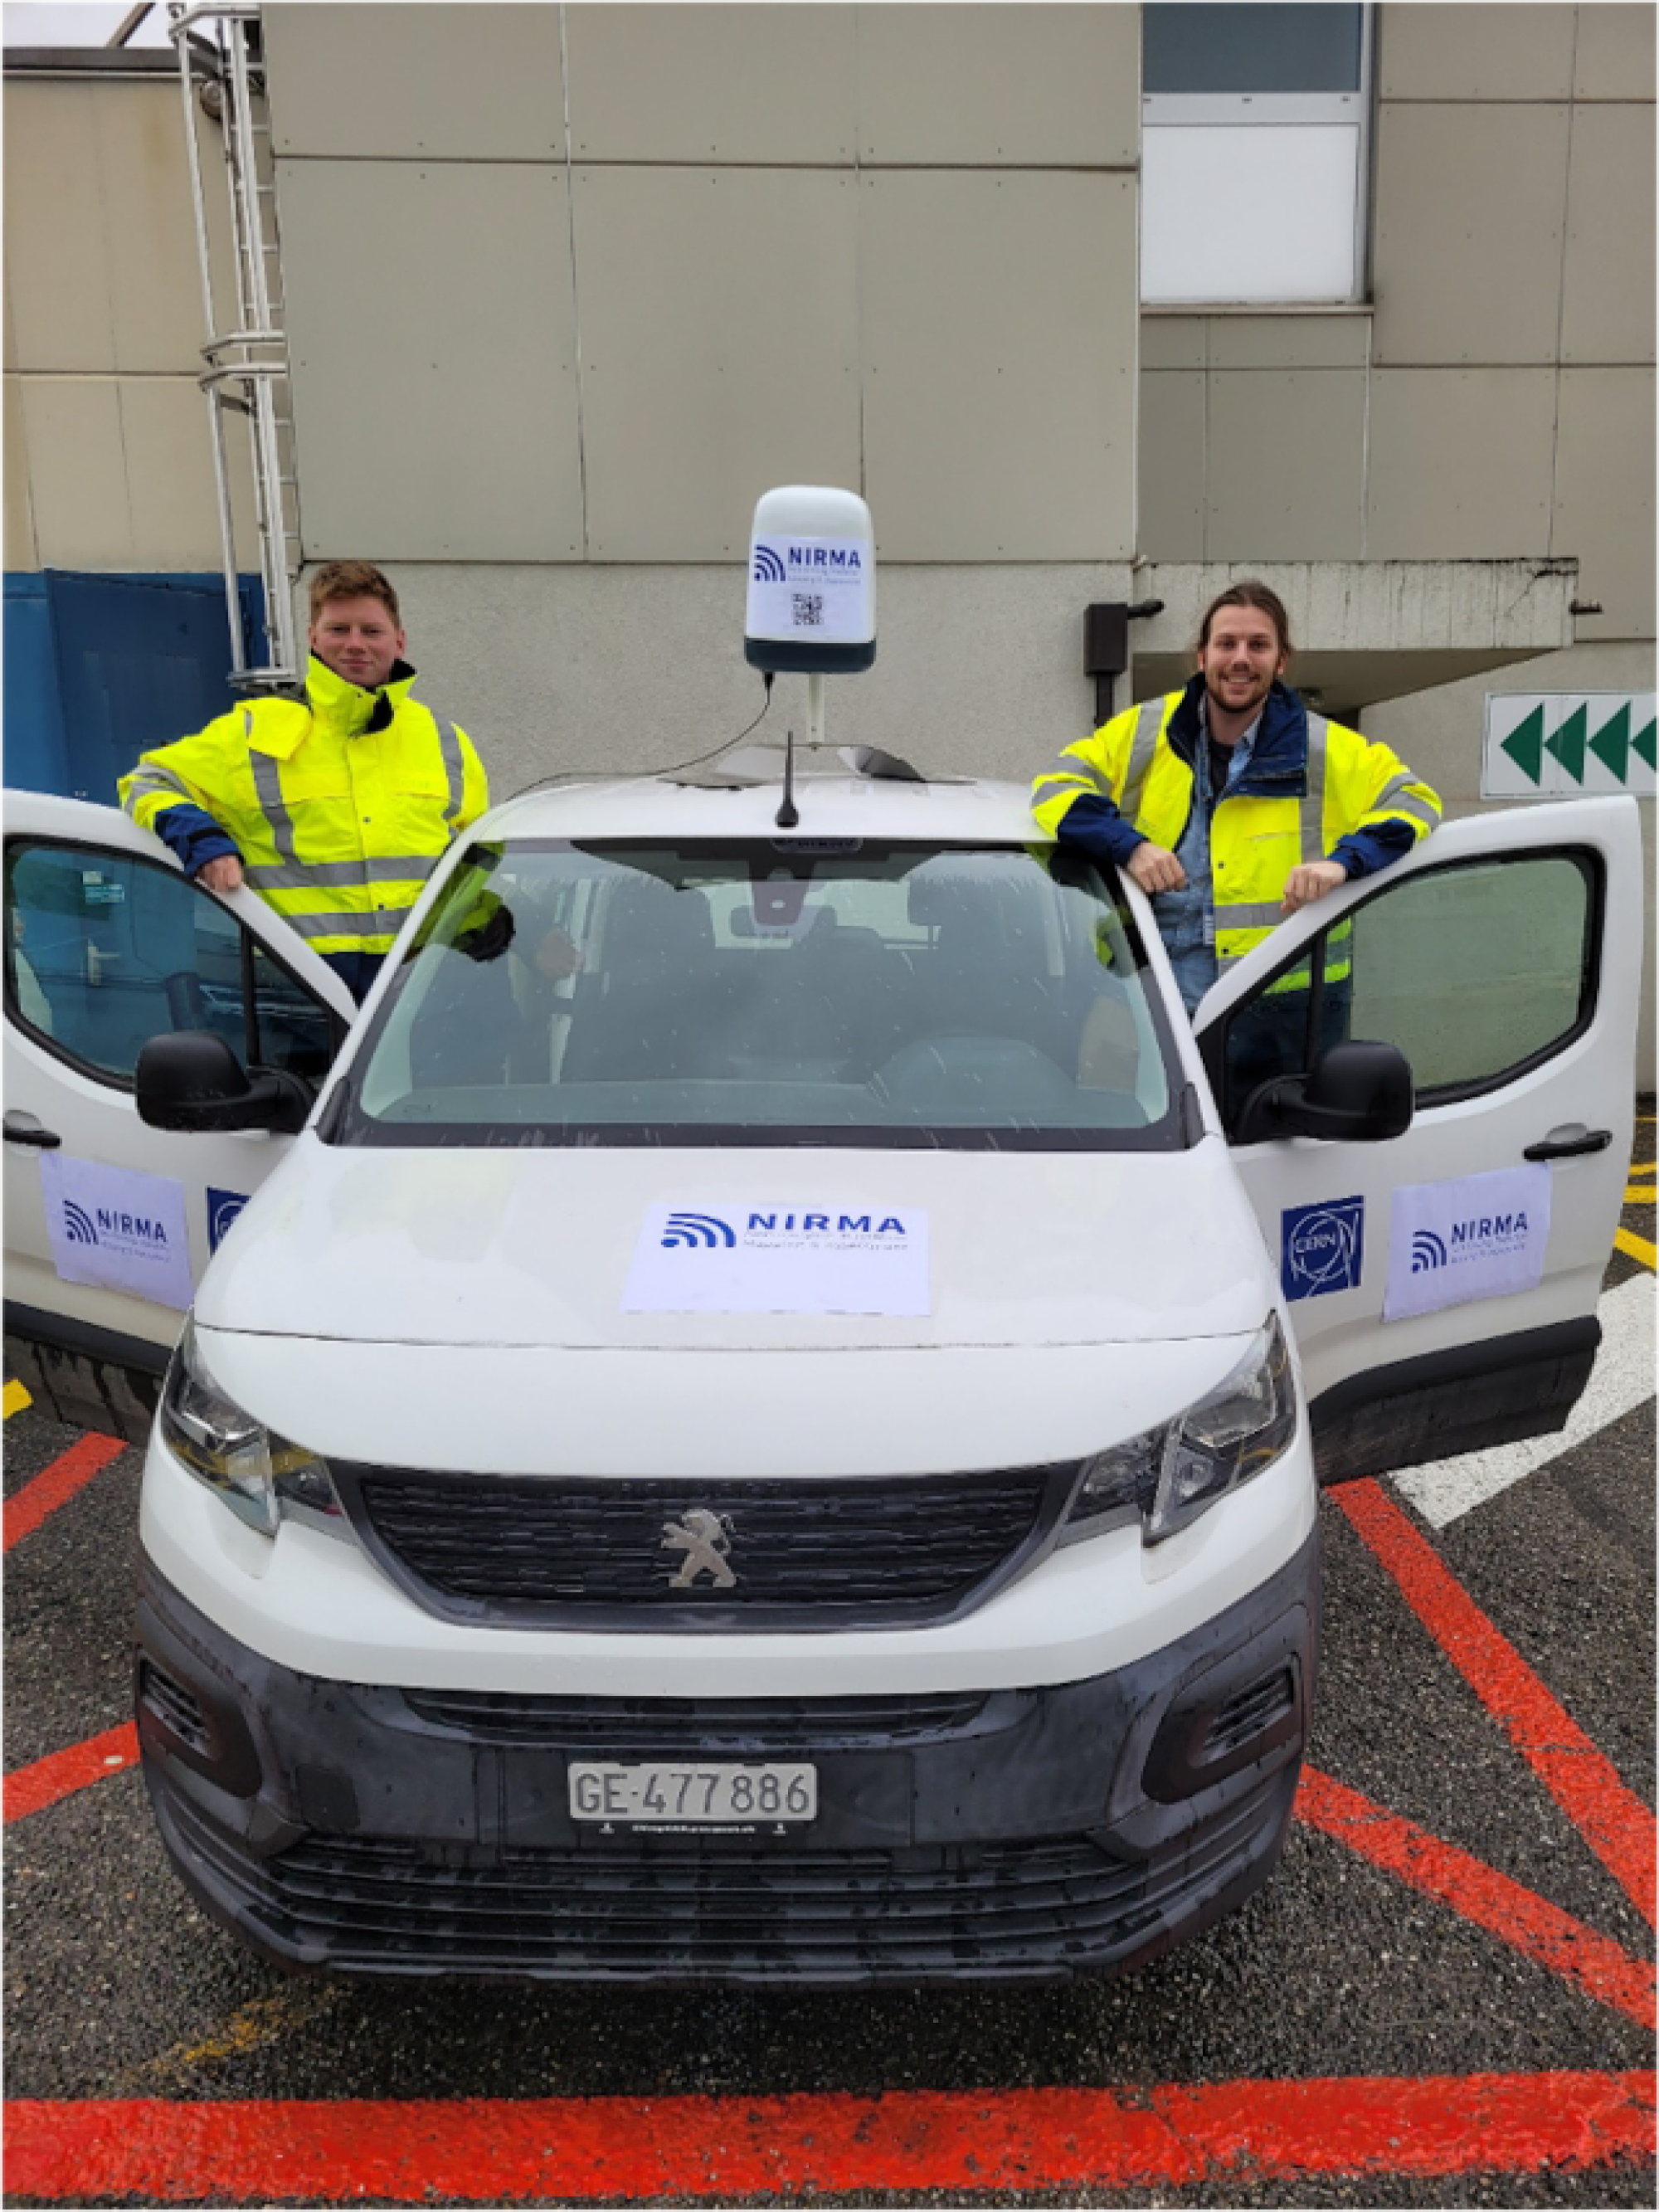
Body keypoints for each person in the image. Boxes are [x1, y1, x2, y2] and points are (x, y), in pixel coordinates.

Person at [1031, 582, 1441, 1062]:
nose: (1241, 658)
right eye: (1227, 644)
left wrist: (1345, 863)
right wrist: (1129, 845)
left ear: (1281, 660)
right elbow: (1056, 789)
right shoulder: (1145, 731)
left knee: (1265, 1138)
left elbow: (1415, 801)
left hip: (1278, 1002)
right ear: (1202, 657)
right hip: (1144, 990)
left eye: (1258, 645)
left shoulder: (1327, 748)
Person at [119, 561, 488, 1001]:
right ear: (313, 638)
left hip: (421, 986)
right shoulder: (253, 733)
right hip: (299, 991)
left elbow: (476, 858)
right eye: (339, 629)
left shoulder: (445, 740)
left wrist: (516, 936)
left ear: (400, 640)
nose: (355, 644)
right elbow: (148, 781)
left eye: (371, 631)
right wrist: (203, 841)